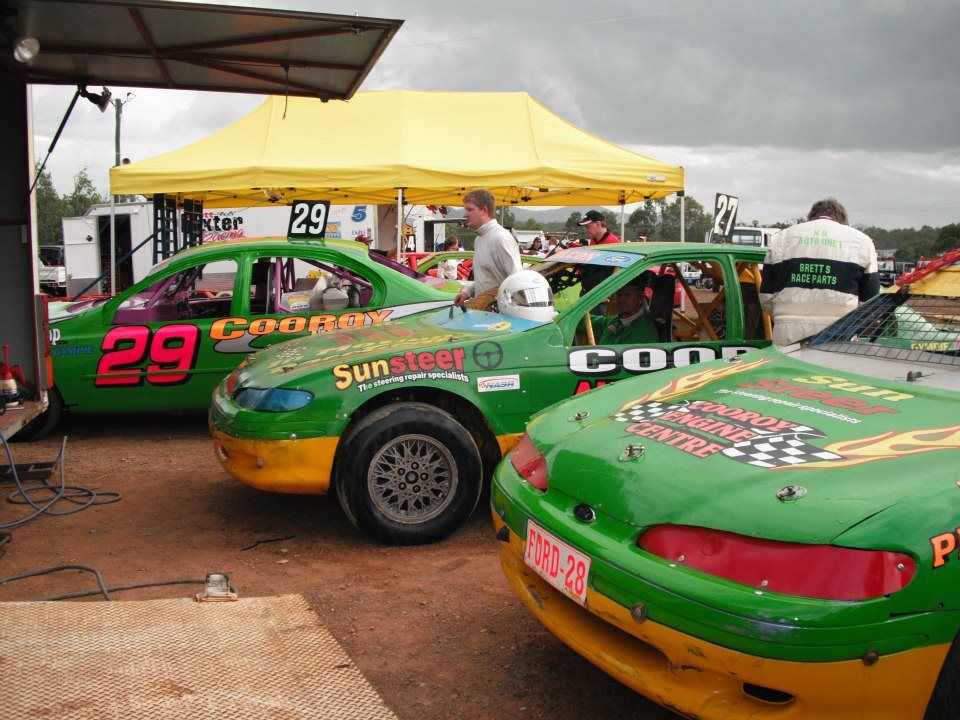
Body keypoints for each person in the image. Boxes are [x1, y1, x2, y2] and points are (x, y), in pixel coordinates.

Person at [760, 197, 880, 346]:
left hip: (788, 330)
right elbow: (870, 301)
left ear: (811, 218)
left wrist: (784, 317)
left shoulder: (781, 238)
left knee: (788, 362)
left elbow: (766, 296)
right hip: (839, 332)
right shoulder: (862, 241)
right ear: (842, 221)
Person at [453, 189, 521, 307]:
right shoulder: (479, 239)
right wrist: (467, 292)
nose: (465, 214)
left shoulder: (501, 237)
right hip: (484, 311)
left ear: (484, 210)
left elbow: (517, 280)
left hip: (499, 313)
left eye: (470, 209)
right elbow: (485, 279)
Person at [584, 275, 658, 344]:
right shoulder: (616, 321)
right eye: (619, 295)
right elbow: (593, 321)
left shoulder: (643, 331)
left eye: (627, 295)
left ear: (640, 298)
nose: (621, 300)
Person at [578, 210, 621, 296]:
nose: (586, 230)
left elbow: (617, 269)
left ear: (598, 224)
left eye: (587, 227)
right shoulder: (593, 240)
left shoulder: (613, 242)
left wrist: (608, 292)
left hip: (602, 294)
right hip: (589, 290)